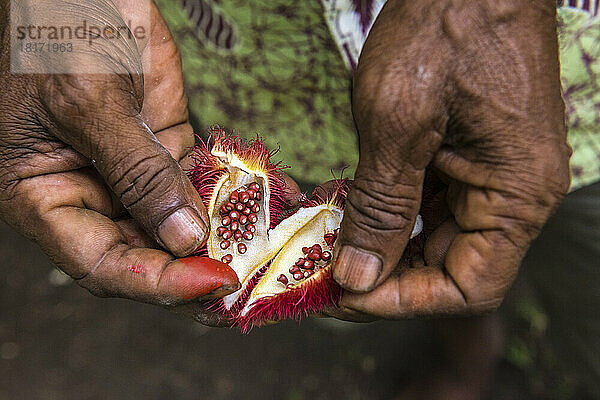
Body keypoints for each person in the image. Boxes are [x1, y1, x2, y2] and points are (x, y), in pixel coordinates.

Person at [1, 0, 597, 396]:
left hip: (534, 70)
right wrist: (57, 12)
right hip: (254, 51)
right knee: (423, 251)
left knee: (512, 221)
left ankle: (490, 352)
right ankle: (466, 353)